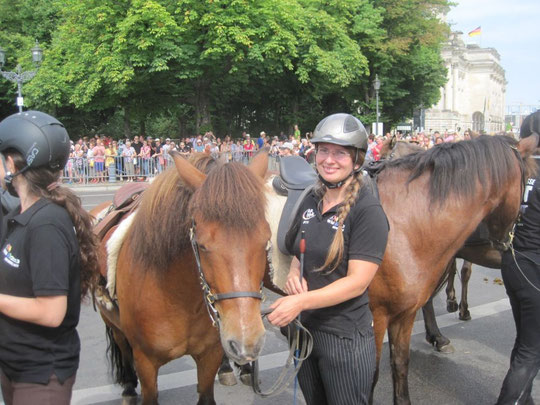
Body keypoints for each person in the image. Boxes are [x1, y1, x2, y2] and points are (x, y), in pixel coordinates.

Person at [268, 113, 389, 405]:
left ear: (357, 160)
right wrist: (295, 274)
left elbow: (357, 283)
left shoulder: (368, 211)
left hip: (344, 339)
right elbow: (301, 253)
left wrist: (299, 302)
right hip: (307, 334)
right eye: (323, 150)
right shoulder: (311, 199)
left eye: (340, 153)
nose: (329, 160)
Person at [0, 111, 99, 405]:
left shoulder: (46, 224)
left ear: (11, 164)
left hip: (41, 375)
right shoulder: (19, 215)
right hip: (15, 364)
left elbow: (52, 312)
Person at [496, 111, 540, 405]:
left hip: (515, 261)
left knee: (526, 343)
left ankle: (523, 400)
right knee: (531, 350)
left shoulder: (522, 169)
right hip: (533, 265)